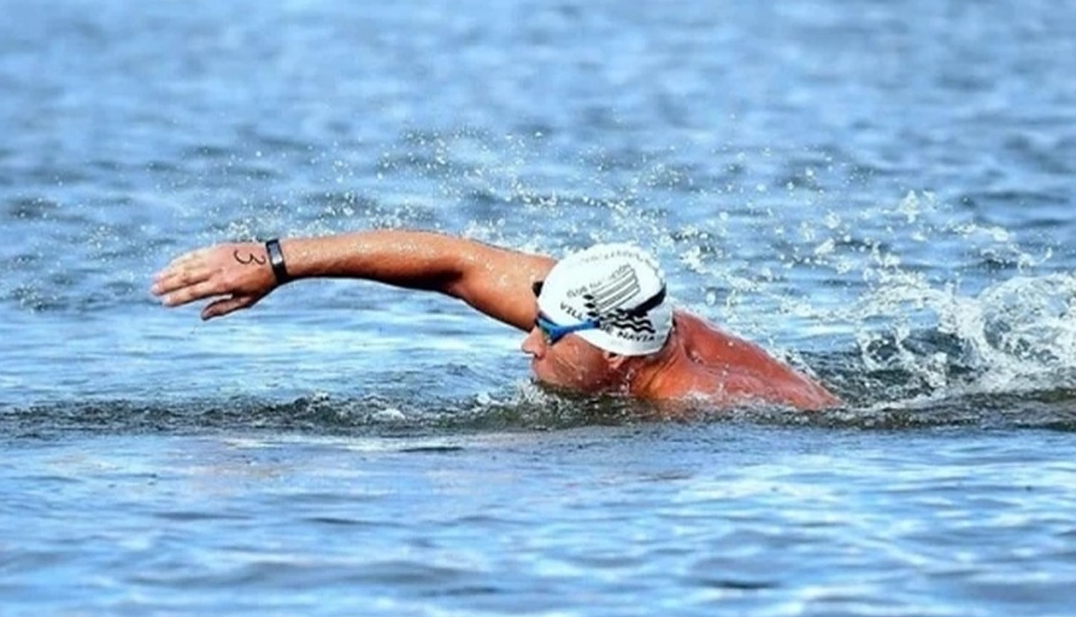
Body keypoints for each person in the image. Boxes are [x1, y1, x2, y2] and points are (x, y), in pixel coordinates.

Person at [151, 230, 841, 410]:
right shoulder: (639, 318)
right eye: (538, 318)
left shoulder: (701, 409)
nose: (526, 342)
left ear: (615, 358)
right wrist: (274, 261)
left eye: (550, 333)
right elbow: (456, 264)